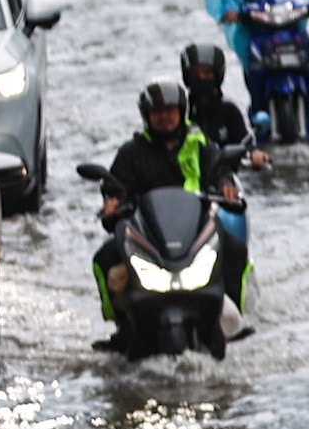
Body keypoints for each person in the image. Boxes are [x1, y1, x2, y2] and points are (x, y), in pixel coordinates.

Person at [90, 80, 248, 332]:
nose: (164, 117)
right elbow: (115, 186)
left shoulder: (199, 143)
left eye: (170, 110)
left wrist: (226, 185)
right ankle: (122, 325)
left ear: (181, 111)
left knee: (236, 251)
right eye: (157, 112)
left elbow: (219, 169)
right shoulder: (131, 152)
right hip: (147, 235)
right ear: (146, 116)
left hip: (196, 231)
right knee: (104, 258)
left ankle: (233, 323)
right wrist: (113, 202)